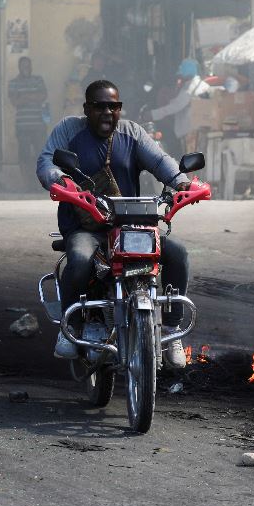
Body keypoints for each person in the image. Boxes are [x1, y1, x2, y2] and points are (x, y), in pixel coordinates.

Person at [36, 79, 192, 368]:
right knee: (81, 260)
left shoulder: (131, 133)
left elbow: (159, 161)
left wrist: (181, 181)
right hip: (85, 226)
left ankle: (171, 328)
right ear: (87, 108)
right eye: (100, 106)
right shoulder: (69, 130)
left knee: (178, 254)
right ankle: (71, 328)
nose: (108, 112)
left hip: (128, 224)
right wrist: (59, 179)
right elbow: (47, 162)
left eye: (114, 106)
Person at [148, 59, 211, 157]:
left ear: (187, 72)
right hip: (201, 129)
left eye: (181, 73)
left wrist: (152, 114)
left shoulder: (190, 88)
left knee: (191, 163)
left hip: (191, 132)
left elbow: (174, 107)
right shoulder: (204, 85)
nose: (179, 76)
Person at [8, 57, 49, 189]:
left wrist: (24, 97)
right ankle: (27, 184)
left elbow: (42, 96)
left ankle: (39, 184)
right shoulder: (13, 83)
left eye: (28, 65)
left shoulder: (38, 80)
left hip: (38, 125)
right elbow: (15, 102)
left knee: (39, 155)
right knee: (24, 156)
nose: (26, 68)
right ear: (19, 67)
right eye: (24, 66)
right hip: (22, 126)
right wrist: (32, 96)